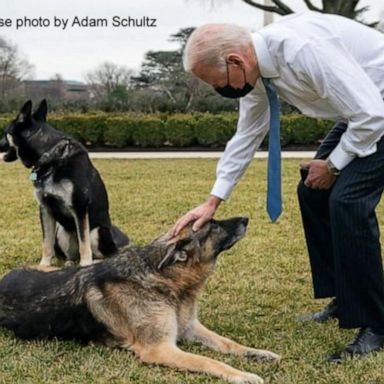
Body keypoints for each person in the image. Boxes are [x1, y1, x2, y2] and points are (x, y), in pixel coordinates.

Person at [171, 11, 384, 362]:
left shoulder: (303, 50)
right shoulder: (257, 75)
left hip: (376, 110)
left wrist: (333, 165)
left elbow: (372, 115)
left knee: (347, 200)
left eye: (218, 83)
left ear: (235, 60)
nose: (220, 90)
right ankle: (345, 297)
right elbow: (246, 137)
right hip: (361, 111)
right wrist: (212, 202)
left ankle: (376, 323)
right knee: (313, 191)